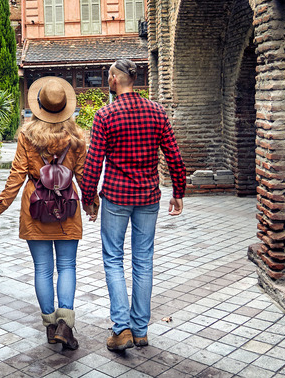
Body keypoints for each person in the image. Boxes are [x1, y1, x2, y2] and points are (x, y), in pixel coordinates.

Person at [80, 58, 187, 351]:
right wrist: (178, 191)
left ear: (115, 79)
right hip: (148, 196)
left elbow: (93, 162)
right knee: (143, 260)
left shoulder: (105, 115)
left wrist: (88, 198)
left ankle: (121, 328)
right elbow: (174, 156)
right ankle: (140, 330)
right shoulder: (156, 112)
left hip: (116, 196)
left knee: (113, 258)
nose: (108, 81)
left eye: (109, 76)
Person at [0, 76, 96, 350]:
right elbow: (83, 175)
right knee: (67, 266)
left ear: (39, 106)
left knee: (43, 269)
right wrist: (91, 204)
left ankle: (49, 327)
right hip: (67, 208)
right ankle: (64, 325)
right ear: (65, 106)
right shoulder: (77, 138)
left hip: (35, 207)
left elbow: (17, 175)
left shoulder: (26, 136)